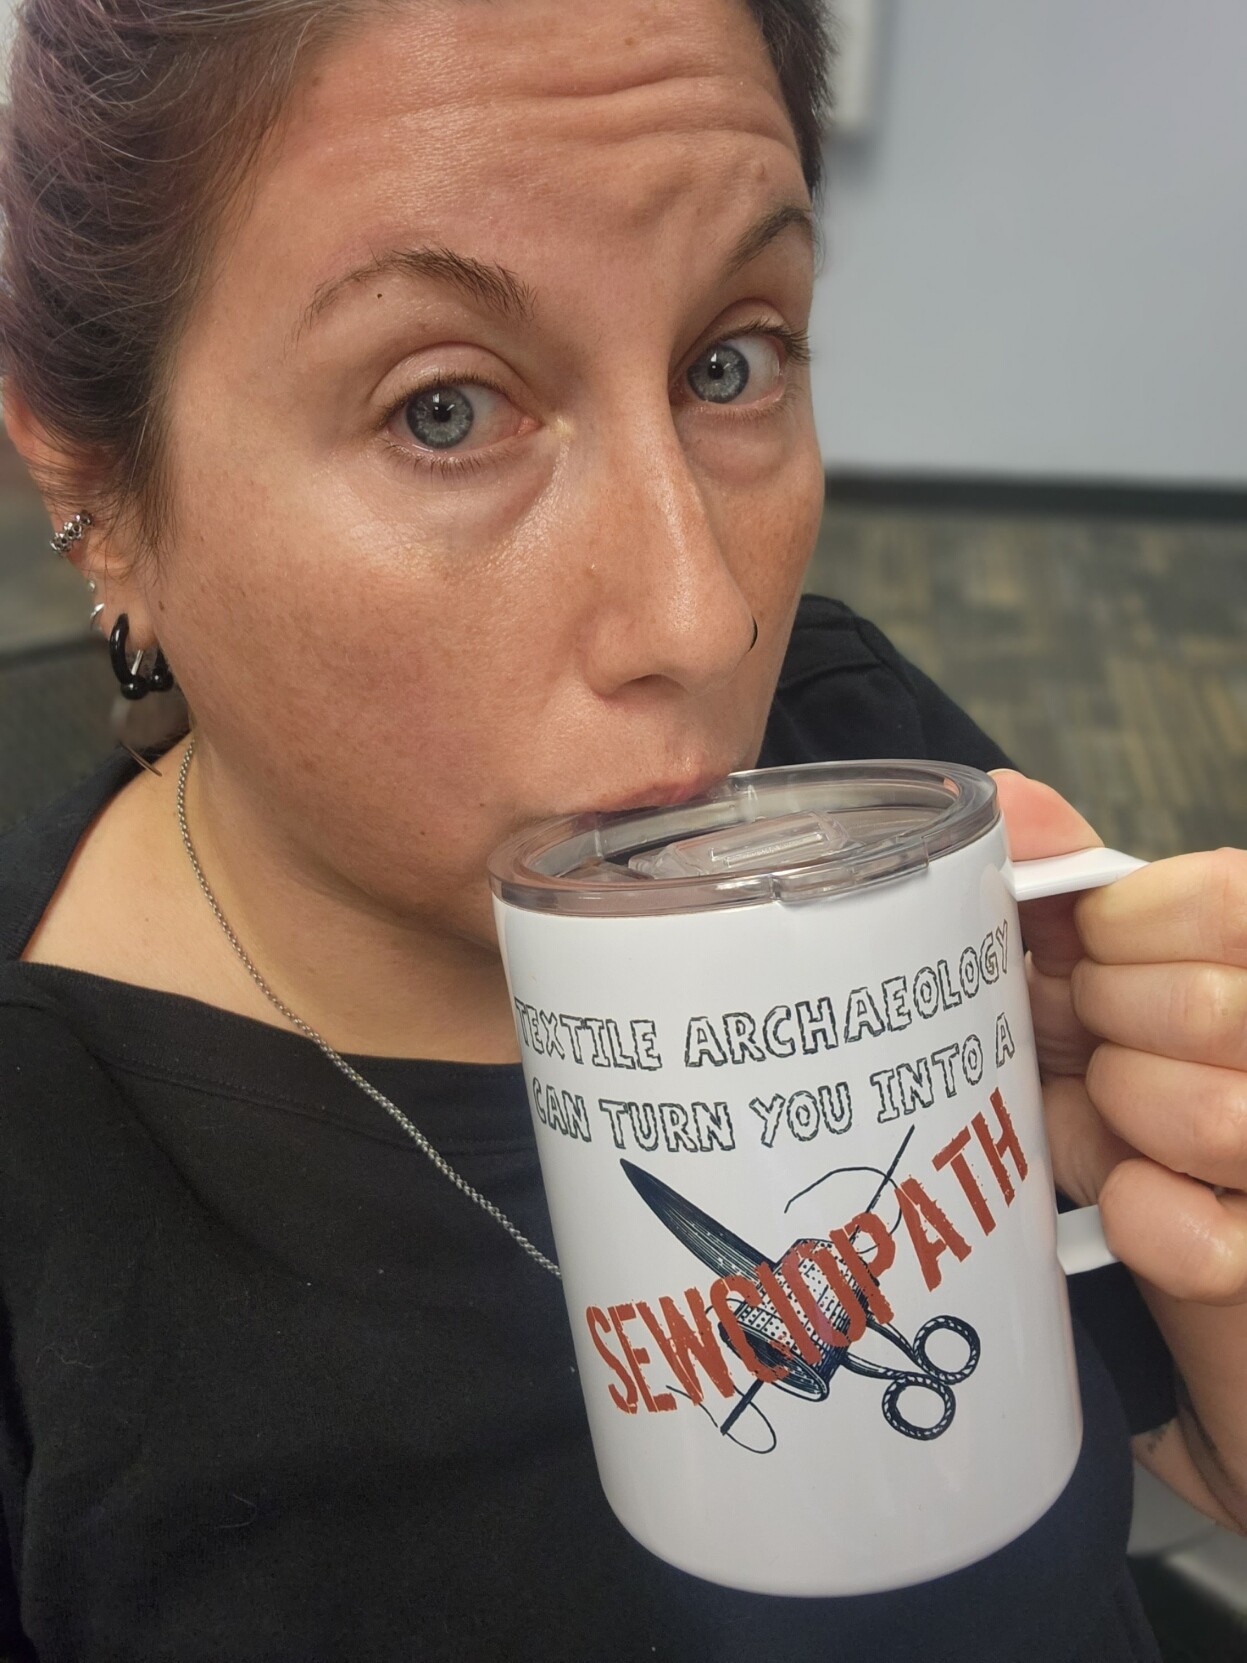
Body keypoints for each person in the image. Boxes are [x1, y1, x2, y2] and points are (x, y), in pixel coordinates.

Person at [0, 1, 1242, 1658]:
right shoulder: (43, 1202)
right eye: (445, 409)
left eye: (732, 359)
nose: (704, 616)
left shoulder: (856, 753)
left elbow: (1186, 1454)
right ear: (97, 490)